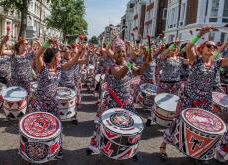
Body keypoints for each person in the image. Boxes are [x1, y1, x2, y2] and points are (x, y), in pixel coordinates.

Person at [159, 26, 228, 160]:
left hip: (205, 101)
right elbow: (188, 48)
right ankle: (163, 145)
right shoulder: (196, 60)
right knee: (177, 122)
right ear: (202, 49)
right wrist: (201, 33)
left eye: (214, 47)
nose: (212, 48)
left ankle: (195, 151)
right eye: (209, 45)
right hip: (188, 99)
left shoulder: (216, 63)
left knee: (202, 126)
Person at [87, 37, 151, 157]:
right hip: (112, 101)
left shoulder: (128, 64)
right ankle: (95, 145)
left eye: (123, 51)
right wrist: (131, 60)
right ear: (114, 55)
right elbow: (120, 75)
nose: (121, 54)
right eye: (118, 52)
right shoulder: (112, 67)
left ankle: (129, 149)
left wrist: (146, 63)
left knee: (130, 126)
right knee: (102, 125)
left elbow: (139, 72)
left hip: (127, 101)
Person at [28, 40, 85, 159]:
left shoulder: (59, 68)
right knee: (39, 129)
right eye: (59, 56)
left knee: (56, 127)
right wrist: (46, 44)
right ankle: (37, 151)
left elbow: (71, 62)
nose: (60, 57)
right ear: (54, 58)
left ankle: (57, 149)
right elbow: (38, 55)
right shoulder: (42, 68)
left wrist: (79, 53)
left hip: (52, 103)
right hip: (39, 103)